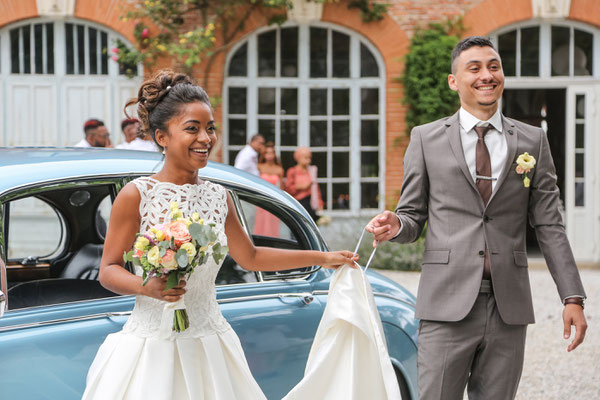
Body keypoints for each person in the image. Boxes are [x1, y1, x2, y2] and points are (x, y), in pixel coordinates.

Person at [82, 69, 357, 399]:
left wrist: (324, 258)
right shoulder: (137, 195)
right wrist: (150, 286)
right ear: (161, 137)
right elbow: (108, 271)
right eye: (192, 129)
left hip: (210, 342)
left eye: (210, 128)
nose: (206, 138)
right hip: (153, 345)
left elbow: (251, 257)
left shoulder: (218, 196)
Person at [367, 36, 587, 400]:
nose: (487, 75)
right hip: (445, 304)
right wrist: (395, 226)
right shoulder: (426, 139)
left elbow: (549, 224)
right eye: (475, 68)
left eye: (494, 66)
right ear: (454, 81)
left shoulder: (532, 141)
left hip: (509, 307)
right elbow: (412, 217)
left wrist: (573, 297)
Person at [254, 142, 285, 237]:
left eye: (271, 153)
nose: (269, 155)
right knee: (261, 223)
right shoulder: (259, 167)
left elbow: (282, 188)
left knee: (273, 224)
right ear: (264, 155)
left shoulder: (279, 169)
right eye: (267, 153)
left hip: (273, 200)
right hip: (261, 200)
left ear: (274, 154)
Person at [285, 147, 322, 222]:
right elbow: (288, 189)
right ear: (298, 158)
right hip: (298, 203)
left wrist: (320, 203)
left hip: (310, 203)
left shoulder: (311, 171)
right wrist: (301, 186)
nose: (309, 160)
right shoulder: (292, 171)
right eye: (306, 158)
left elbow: (315, 188)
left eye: (309, 158)